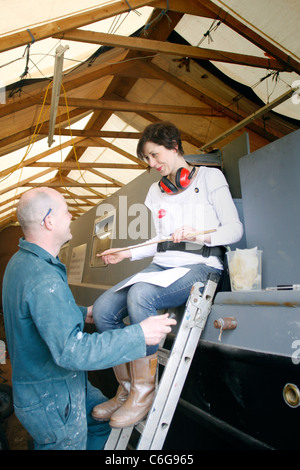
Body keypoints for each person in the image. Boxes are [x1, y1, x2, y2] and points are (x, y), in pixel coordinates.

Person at [92, 121, 243, 428]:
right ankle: (127, 389)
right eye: (146, 159)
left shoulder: (211, 178)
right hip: (163, 265)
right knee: (104, 309)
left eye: (155, 155)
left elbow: (235, 230)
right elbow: (159, 241)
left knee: (140, 295)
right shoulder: (155, 192)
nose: (152, 164)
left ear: (175, 146)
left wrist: (200, 234)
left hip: (201, 266)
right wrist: (126, 252)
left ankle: (144, 393)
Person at [1, 187, 176, 450]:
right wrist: (139, 335)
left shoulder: (21, 262)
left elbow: (37, 311)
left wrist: (84, 312)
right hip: (54, 399)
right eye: (65, 210)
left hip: (55, 386)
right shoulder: (43, 278)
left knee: (100, 422)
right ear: (49, 221)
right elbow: (72, 351)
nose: (71, 216)